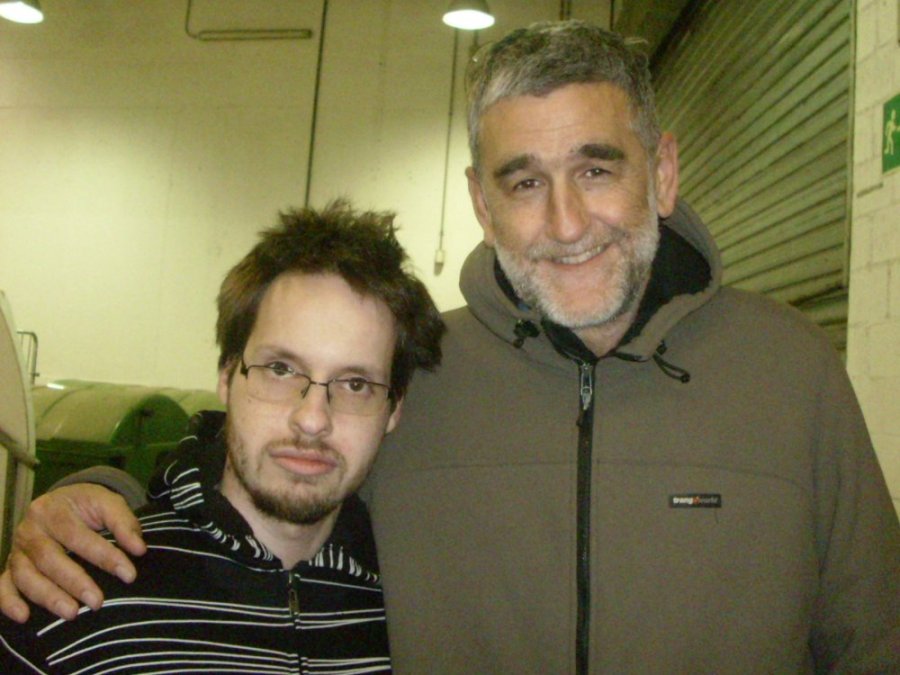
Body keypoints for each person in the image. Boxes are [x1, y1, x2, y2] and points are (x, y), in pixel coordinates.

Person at [3, 20, 900, 673]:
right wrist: (101, 490)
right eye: (524, 182)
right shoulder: (422, 371)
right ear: (480, 201)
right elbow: (278, 462)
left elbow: (875, 642)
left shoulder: (793, 374)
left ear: (661, 173)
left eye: (596, 169)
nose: (566, 223)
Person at [0, 200, 445, 673]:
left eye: (355, 384)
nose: (313, 419)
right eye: (280, 369)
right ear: (228, 376)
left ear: (394, 409)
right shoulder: (68, 599)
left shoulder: (419, 614)